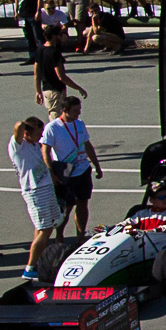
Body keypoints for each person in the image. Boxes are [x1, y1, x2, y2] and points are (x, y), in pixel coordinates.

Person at [9, 117, 64, 282]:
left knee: (46, 226)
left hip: (46, 188)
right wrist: (25, 126)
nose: (40, 137)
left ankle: (38, 259)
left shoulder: (34, 144)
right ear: (26, 133)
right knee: (45, 229)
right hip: (34, 191)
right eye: (37, 133)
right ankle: (30, 268)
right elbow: (18, 125)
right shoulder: (17, 146)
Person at [45, 94, 101, 239]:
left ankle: (80, 236)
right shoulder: (52, 128)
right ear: (64, 110)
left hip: (83, 170)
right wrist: (51, 173)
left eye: (79, 109)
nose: (79, 113)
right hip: (66, 173)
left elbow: (88, 145)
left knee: (83, 204)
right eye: (76, 110)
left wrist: (96, 165)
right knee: (66, 208)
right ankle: (59, 236)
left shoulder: (80, 124)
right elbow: (45, 151)